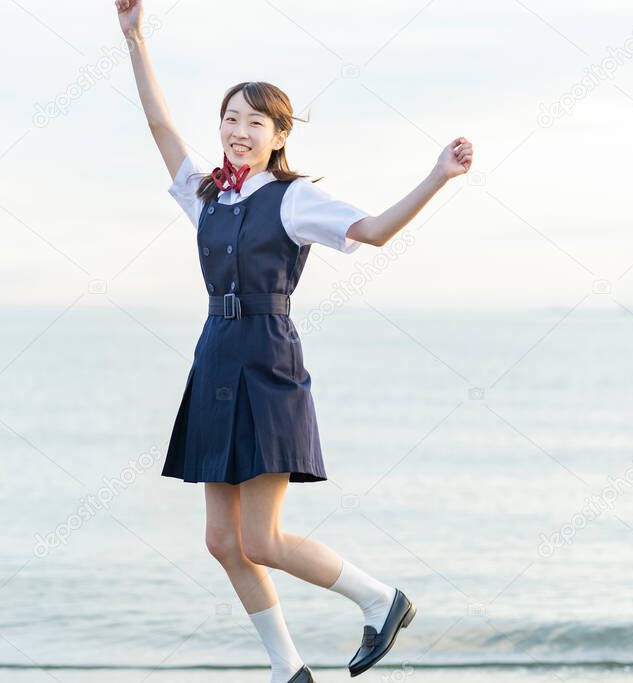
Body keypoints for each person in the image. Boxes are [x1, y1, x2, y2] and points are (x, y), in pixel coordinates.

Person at [116, 2, 473, 681]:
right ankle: (287, 668)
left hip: (267, 359)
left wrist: (436, 176)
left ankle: (380, 598)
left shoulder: (293, 198)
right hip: (214, 355)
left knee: (263, 538)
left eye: (255, 121)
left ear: (279, 135)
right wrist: (135, 39)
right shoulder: (208, 195)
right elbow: (159, 123)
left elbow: (373, 231)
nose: (238, 130)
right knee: (223, 540)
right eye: (230, 118)